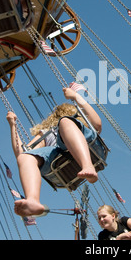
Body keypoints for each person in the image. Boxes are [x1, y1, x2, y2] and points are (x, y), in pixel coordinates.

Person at [6, 87, 103, 217]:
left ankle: (88, 166)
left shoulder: (76, 122)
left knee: (65, 122)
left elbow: (97, 124)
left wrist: (75, 96)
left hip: (87, 146)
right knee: (25, 157)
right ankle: (33, 200)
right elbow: (21, 153)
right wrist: (13, 126)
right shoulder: (48, 133)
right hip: (59, 156)